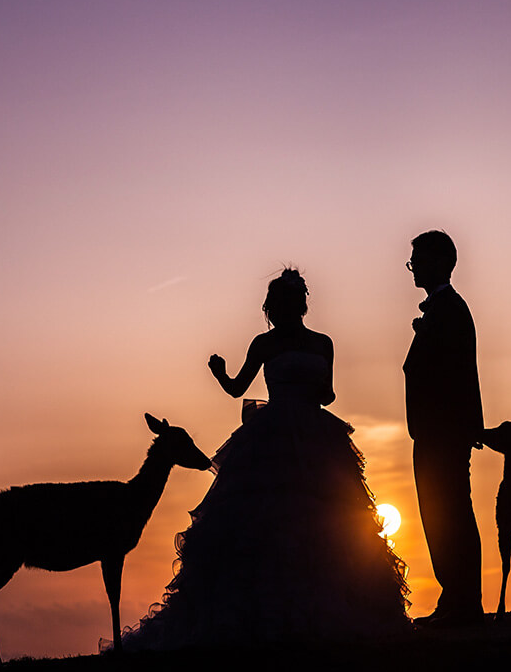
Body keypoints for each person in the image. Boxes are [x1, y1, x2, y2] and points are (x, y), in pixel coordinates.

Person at [118, 268, 410, 650]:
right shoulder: (266, 344)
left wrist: (306, 393)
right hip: (277, 433)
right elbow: (239, 387)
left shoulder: (324, 343)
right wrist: (221, 374)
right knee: (270, 516)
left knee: (326, 517)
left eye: (290, 301)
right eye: (282, 303)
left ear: (298, 304)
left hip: (314, 434)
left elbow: (328, 394)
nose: (286, 309)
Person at [403, 230, 484, 626]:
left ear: (439, 261)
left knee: (449, 514)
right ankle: (455, 600)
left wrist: (468, 428)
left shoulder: (450, 310)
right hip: (435, 433)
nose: (412, 267)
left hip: (442, 434)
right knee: (443, 514)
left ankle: (463, 604)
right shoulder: (443, 310)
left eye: (417, 259)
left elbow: (460, 373)